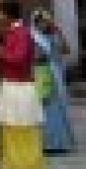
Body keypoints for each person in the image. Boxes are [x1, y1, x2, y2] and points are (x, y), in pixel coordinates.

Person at [0, 0, 46, 169]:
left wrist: (0, 53)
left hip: (21, 87)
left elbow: (19, 58)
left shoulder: (22, 33)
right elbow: (5, 61)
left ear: (7, 14)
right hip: (11, 86)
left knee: (25, 129)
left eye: (0, 12)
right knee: (10, 128)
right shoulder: (10, 33)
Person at [31, 9, 75, 154]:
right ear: (36, 23)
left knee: (59, 109)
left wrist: (59, 31)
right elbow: (35, 57)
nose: (45, 24)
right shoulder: (34, 38)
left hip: (56, 76)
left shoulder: (52, 36)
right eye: (42, 22)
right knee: (46, 110)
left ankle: (61, 142)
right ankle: (47, 143)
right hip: (42, 76)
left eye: (46, 22)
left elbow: (67, 50)